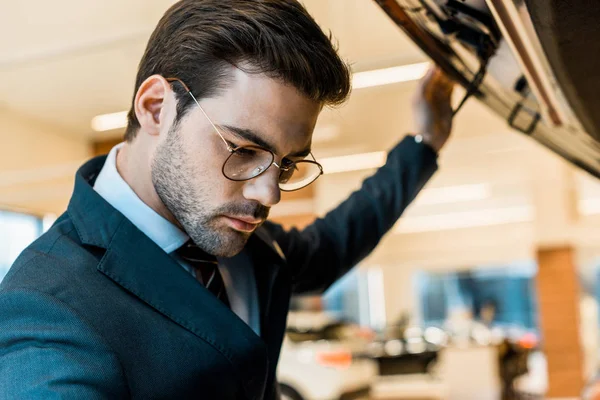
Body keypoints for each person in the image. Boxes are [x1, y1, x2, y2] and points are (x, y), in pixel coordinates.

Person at [0, 1, 454, 399]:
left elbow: (332, 243)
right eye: (243, 151)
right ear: (157, 107)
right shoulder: (46, 309)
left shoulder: (234, 240)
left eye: (287, 164)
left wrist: (426, 143)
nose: (268, 193)